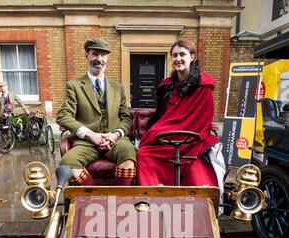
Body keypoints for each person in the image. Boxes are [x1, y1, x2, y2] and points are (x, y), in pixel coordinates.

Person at [137, 39, 224, 189]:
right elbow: (164, 116)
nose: (178, 59)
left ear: (192, 57)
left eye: (182, 54)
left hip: (194, 138)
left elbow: (202, 119)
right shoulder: (167, 86)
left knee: (197, 174)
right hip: (167, 137)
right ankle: (154, 197)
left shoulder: (204, 86)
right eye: (174, 55)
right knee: (144, 154)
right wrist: (158, 130)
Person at [56, 38, 136, 186]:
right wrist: (90, 134)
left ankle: (119, 200)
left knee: (129, 154)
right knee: (68, 164)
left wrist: (115, 134)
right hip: (86, 142)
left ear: (107, 58)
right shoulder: (74, 86)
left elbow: (126, 118)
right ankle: (94, 198)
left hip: (115, 141)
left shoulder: (117, 87)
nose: (99, 59)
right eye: (95, 54)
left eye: (103, 55)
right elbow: (63, 115)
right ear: (87, 55)